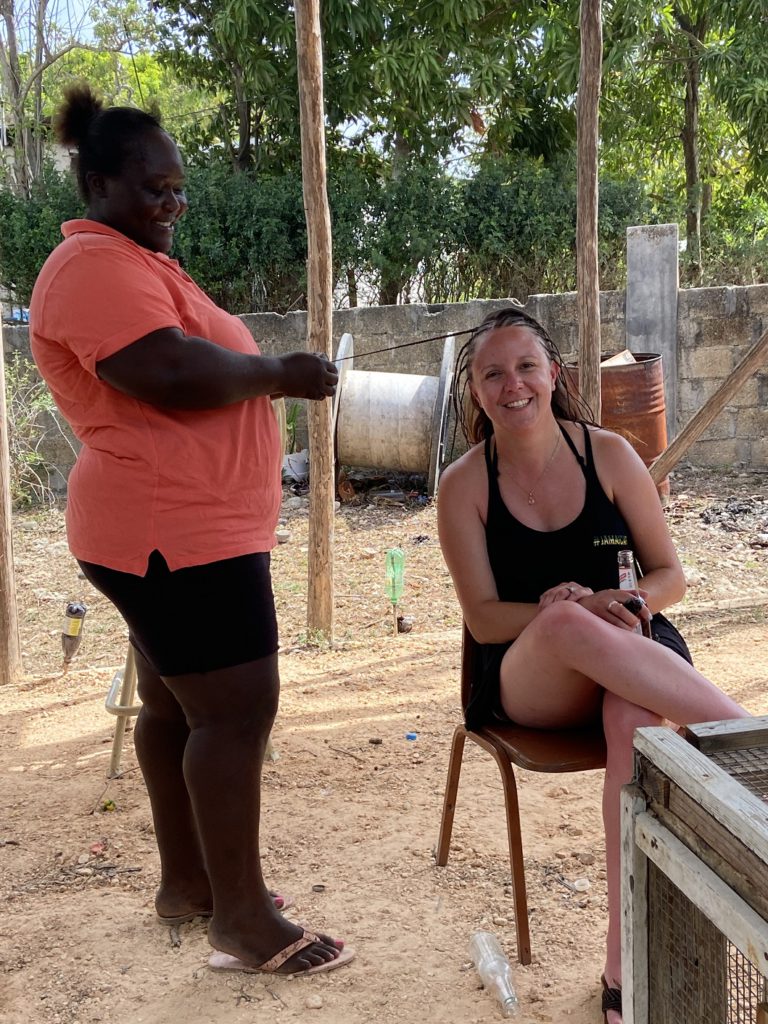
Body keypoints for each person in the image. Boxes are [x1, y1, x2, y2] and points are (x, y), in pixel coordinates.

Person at [29, 83, 354, 978]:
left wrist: (263, 374)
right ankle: (242, 922)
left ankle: (191, 885)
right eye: (152, 188)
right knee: (236, 708)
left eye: (178, 189)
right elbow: (166, 372)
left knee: (177, 706)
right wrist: (277, 372)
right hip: (175, 533)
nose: (171, 204)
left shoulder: (134, 259)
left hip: (169, 527)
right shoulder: (92, 267)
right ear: (97, 185)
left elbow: (178, 358)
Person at [436, 306, 749, 1023]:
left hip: (633, 646)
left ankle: (620, 970)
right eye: (492, 373)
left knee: (636, 725)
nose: (511, 384)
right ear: (476, 392)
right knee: (569, 621)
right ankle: (746, 741)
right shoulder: (464, 484)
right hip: (528, 673)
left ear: (554, 374)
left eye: (525, 367)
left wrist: (627, 600)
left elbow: (670, 574)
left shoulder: (607, 454)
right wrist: (564, 614)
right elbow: (483, 616)